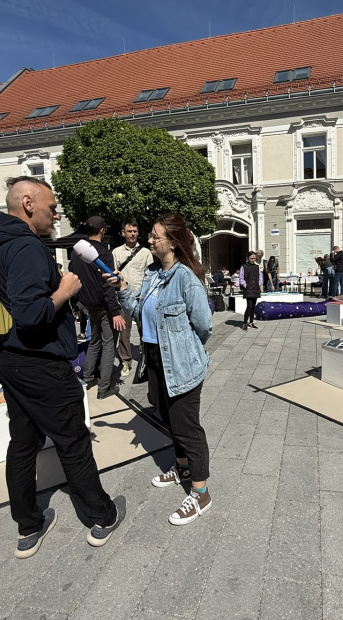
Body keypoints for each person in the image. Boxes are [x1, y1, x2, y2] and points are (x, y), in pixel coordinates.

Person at [0, 175, 123, 556]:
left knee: (22, 443)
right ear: (27, 203)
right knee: (72, 439)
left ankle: (28, 525)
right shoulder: (24, 246)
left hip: (9, 357)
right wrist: (65, 291)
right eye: (52, 207)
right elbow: (30, 313)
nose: (57, 215)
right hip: (39, 360)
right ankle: (101, 516)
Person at [106, 213, 214, 525]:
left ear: (173, 242)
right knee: (167, 418)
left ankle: (201, 492)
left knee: (187, 427)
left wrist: (184, 347)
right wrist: (124, 287)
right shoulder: (154, 274)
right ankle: (181, 467)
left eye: (155, 236)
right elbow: (138, 311)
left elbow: (204, 326)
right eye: (150, 235)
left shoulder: (186, 278)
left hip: (180, 363)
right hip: (153, 360)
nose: (149, 240)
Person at [70, 216, 125, 399]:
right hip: (104, 306)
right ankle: (104, 387)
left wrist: (76, 304)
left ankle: (88, 378)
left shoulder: (75, 253)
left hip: (88, 305)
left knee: (95, 341)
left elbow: (73, 279)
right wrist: (115, 312)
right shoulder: (104, 253)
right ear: (103, 230)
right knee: (109, 344)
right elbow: (107, 285)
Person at [112, 219, 155, 378]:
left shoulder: (145, 253)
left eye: (135, 231)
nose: (133, 234)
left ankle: (148, 358)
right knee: (124, 332)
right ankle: (125, 361)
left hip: (142, 297)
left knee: (146, 329)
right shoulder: (116, 252)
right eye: (129, 231)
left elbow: (150, 275)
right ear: (123, 233)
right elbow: (113, 274)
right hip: (123, 298)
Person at [239, 251, 262, 331]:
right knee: (249, 306)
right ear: (247, 258)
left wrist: (259, 283)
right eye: (251, 258)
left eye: (254, 258)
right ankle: (245, 323)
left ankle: (251, 322)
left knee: (253, 306)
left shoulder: (256, 267)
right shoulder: (244, 266)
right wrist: (245, 285)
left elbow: (260, 276)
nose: (253, 260)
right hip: (248, 289)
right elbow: (241, 278)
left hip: (255, 288)